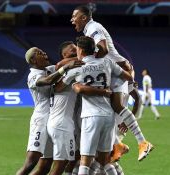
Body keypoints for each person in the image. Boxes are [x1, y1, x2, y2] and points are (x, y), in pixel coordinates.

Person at [70, 5, 153, 161]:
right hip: (114, 71)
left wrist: (86, 61)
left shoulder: (94, 27)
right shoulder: (89, 31)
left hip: (119, 71)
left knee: (115, 107)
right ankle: (118, 145)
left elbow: (103, 49)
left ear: (84, 17)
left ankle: (142, 142)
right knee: (107, 112)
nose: (72, 19)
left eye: (74, 16)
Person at [62, 36, 133, 175]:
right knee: (105, 160)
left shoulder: (78, 68)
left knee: (85, 160)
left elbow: (59, 86)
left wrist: (76, 84)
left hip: (91, 116)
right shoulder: (107, 62)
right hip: (108, 116)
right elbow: (128, 77)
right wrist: (130, 70)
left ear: (81, 50)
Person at [16, 47, 83, 175]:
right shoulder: (33, 75)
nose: (44, 53)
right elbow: (48, 80)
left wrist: (83, 55)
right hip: (41, 120)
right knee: (30, 163)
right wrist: (65, 67)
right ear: (33, 60)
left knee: (45, 166)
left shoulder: (49, 70)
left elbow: (60, 65)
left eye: (43, 51)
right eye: (40, 53)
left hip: (52, 120)